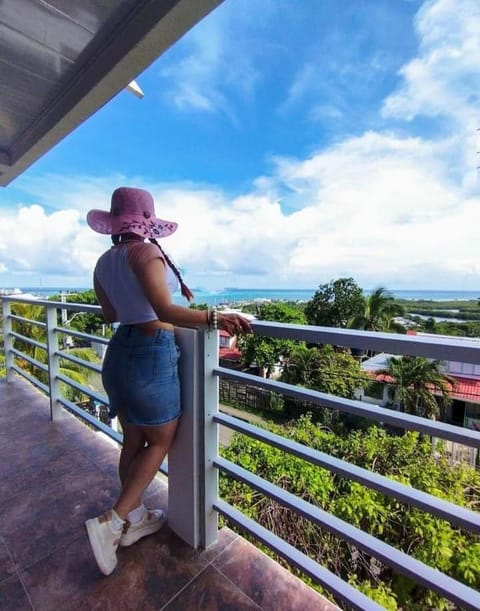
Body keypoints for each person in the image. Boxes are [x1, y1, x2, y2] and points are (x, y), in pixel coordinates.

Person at [84, 186, 252, 576]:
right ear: (146, 222)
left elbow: (111, 314)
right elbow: (164, 310)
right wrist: (215, 318)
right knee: (160, 441)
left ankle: (134, 518)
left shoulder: (103, 261)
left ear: (114, 223)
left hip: (120, 350)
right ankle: (111, 522)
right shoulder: (146, 252)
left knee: (133, 438)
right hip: (151, 351)